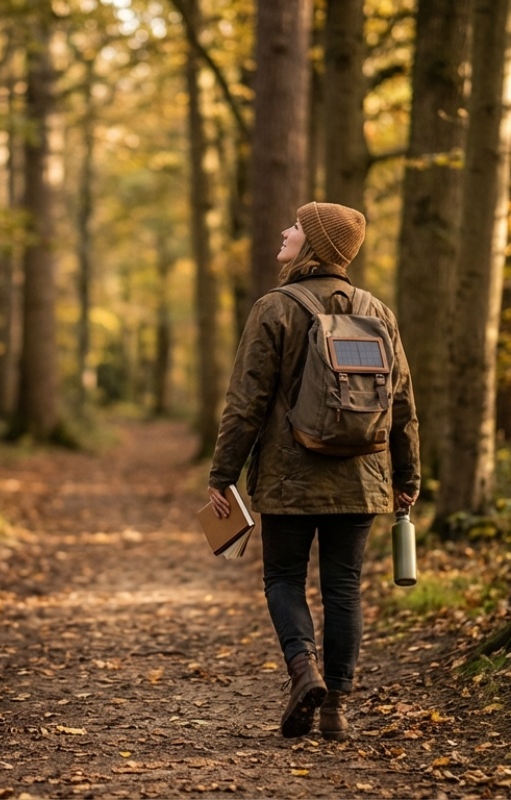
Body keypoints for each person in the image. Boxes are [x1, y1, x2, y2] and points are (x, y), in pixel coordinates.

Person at [207, 201, 420, 740]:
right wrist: (407, 477)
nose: (284, 231)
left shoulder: (275, 308)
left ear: (316, 245)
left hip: (289, 474)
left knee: (283, 578)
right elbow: (402, 404)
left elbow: (245, 402)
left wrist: (222, 475)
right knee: (344, 588)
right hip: (364, 474)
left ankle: (304, 672)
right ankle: (337, 711)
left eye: (296, 227)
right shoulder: (379, 312)